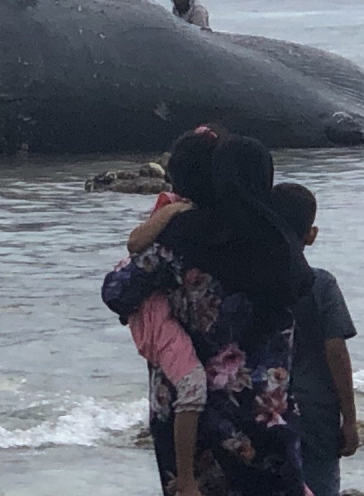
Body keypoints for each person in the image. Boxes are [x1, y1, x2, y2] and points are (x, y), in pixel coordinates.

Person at [103, 135, 313, 496]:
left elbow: (117, 291)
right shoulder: (282, 244)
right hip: (266, 411)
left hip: (191, 420)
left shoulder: (181, 239)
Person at [121, 127, 223, 496]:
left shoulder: (180, 224)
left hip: (166, 346)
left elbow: (123, 281)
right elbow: (135, 245)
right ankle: (186, 479)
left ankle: (183, 478)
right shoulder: (182, 214)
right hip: (164, 326)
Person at [273, 183, 358, 496]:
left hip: (264, 408)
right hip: (316, 413)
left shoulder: (246, 282)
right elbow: (336, 351)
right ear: (311, 234)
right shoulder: (321, 284)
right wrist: (350, 419)